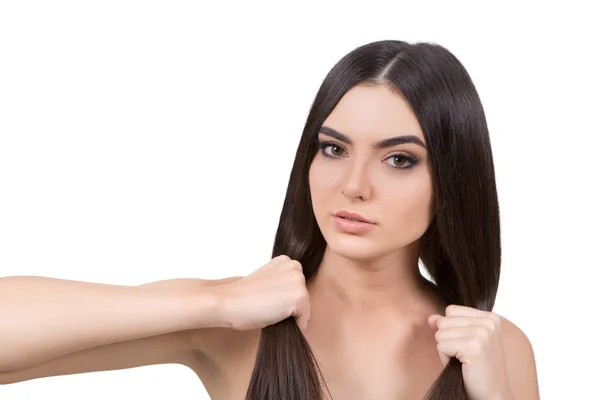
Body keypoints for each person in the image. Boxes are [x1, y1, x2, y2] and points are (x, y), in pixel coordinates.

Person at [0, 40, 539, 399]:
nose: (353, 184)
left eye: (398, 159)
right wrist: (216, 301)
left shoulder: (495, 349)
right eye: (333, 149)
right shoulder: (238, 327)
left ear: (452, 180)